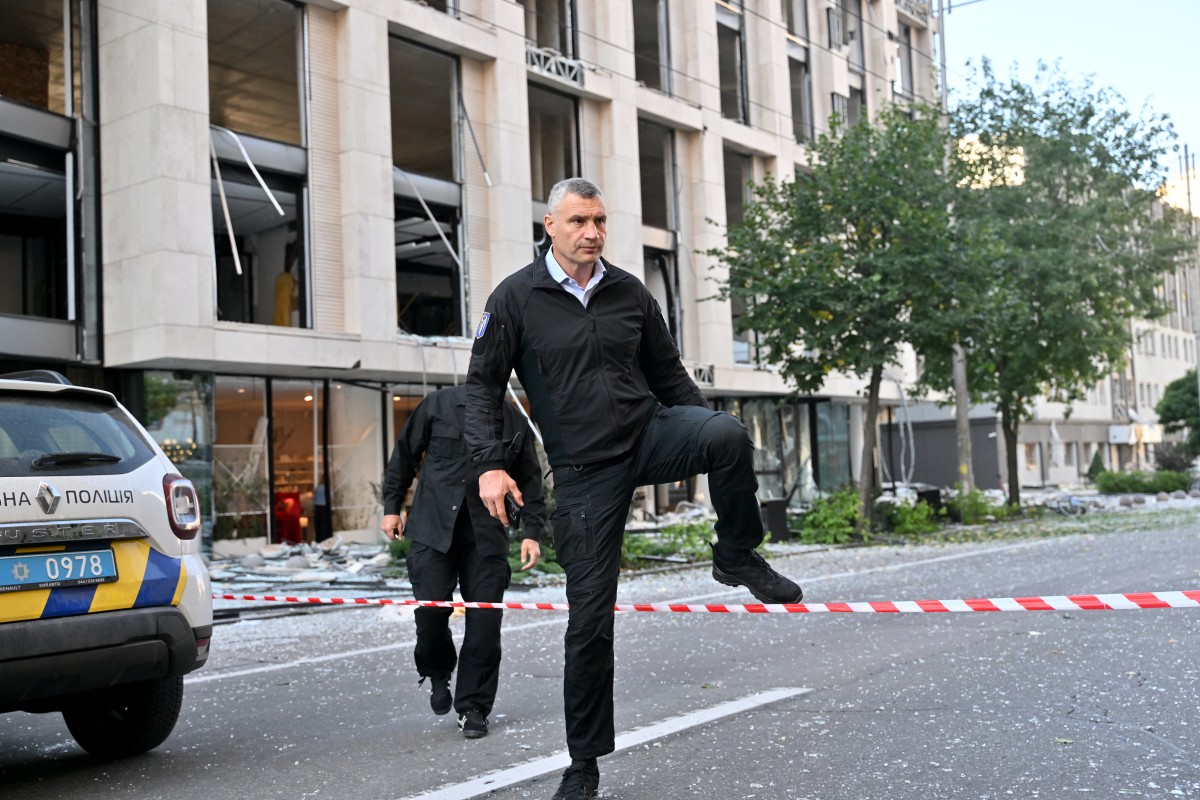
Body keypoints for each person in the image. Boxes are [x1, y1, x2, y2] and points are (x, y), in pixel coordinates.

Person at [465, 177, 804, 799]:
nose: (591, 232)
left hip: (646, 433)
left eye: (599, 220)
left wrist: (701, 434)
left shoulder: (629, 292)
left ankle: (735, 555)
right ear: (550, 225)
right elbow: (483, 386)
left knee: (727, 433)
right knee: (589, 623)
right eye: (578, 221)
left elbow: (669, 374)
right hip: (584, 470)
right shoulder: (516, 297)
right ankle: (583, 764)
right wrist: (490, 463)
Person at [381, 383, 545, 740]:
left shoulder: (514, 421)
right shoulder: (438, 404)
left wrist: (532, 532)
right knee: (430, 613)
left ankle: (473, 707)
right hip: (432, 529)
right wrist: (392, 507)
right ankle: (438, 671)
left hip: (486, 538)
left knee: (484, 624)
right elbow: (405, 454)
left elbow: (531, 481)